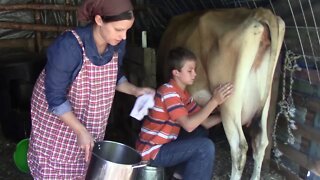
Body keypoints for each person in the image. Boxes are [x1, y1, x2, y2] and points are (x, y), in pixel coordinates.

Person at [27, 0, 154, 179]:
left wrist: (135, 91)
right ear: (99, 20)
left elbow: (114, 76)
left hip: (91, 122)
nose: (124, 36)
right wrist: (80, 130)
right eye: (118, 29)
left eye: (127, 30)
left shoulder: (117, 43)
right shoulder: (69, 46)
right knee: (57, 168)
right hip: (57, 122)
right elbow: (55, 97)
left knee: (87, 165)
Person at [136, 47, 233, 180]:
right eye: (189, 70)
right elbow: (188, 125)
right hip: (152, 151)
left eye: (194, 70)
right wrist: (215, 100)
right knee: (205, 147)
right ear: (176, 73)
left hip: (166, 145)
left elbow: (205, 122)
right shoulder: (168, 92)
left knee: (201, 132)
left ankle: (179, 175)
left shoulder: (184, 95)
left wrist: (228, 116)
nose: (194, 74)